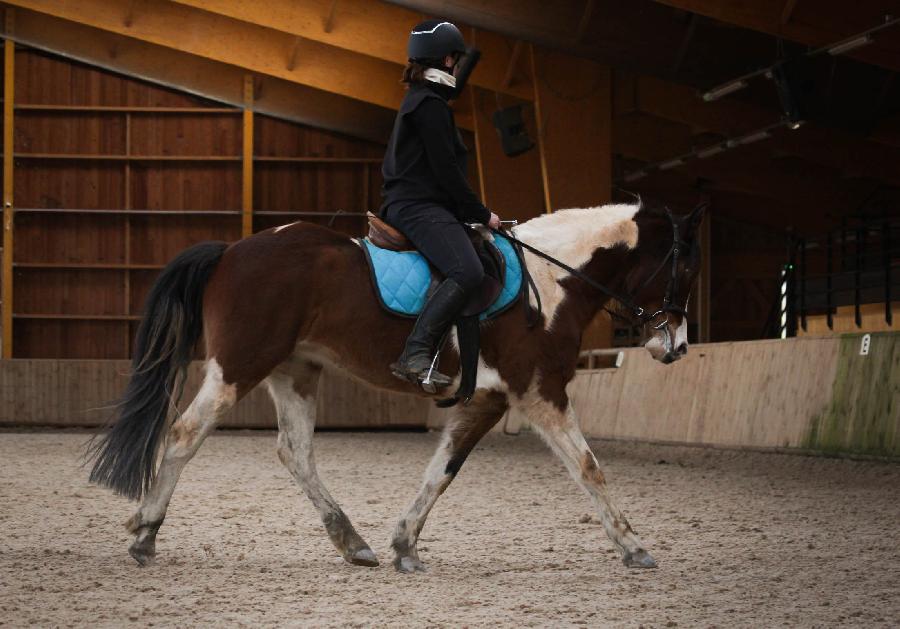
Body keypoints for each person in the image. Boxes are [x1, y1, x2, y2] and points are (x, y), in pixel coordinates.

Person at [380, 19, 501, 391]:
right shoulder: (430, 105)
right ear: (447, 60)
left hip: (415, 202)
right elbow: (447, 173)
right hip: (418, 206)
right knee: (467, 271)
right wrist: (482, 214)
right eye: (455, 59)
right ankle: (415, 352)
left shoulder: (418, 101)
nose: (455, 65)